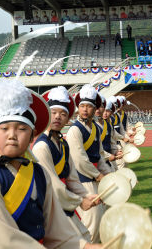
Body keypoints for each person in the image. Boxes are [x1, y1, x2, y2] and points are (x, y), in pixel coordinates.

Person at [0, 80, 102, 249]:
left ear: (32, 136)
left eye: (22, 129)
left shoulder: (40, 174)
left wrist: (85, 246)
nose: (12, 135)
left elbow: (57, 230)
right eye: (4, 128)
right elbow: (5, 240)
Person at [33, 87, 102, 248]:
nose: (58, 117)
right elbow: (54, 185)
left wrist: (86, 195)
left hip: (63, 204)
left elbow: (72, 178)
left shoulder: (63, 144)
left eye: (63, 114)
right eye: (54, 112)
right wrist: (80, 201)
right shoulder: (42, 147)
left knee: (84, 236)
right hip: (50, 208)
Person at [66, 84, 113, 243]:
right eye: (82, 106)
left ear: (95, 109)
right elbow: (79, 160)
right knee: (91, 225)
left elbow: (99, 156)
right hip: (82, 181)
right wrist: (99, 175)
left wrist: (109, 175)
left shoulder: (95, 129)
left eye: (89, 106)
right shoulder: (75, 130)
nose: (85, 109)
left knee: (100, 222)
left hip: (95, 180)